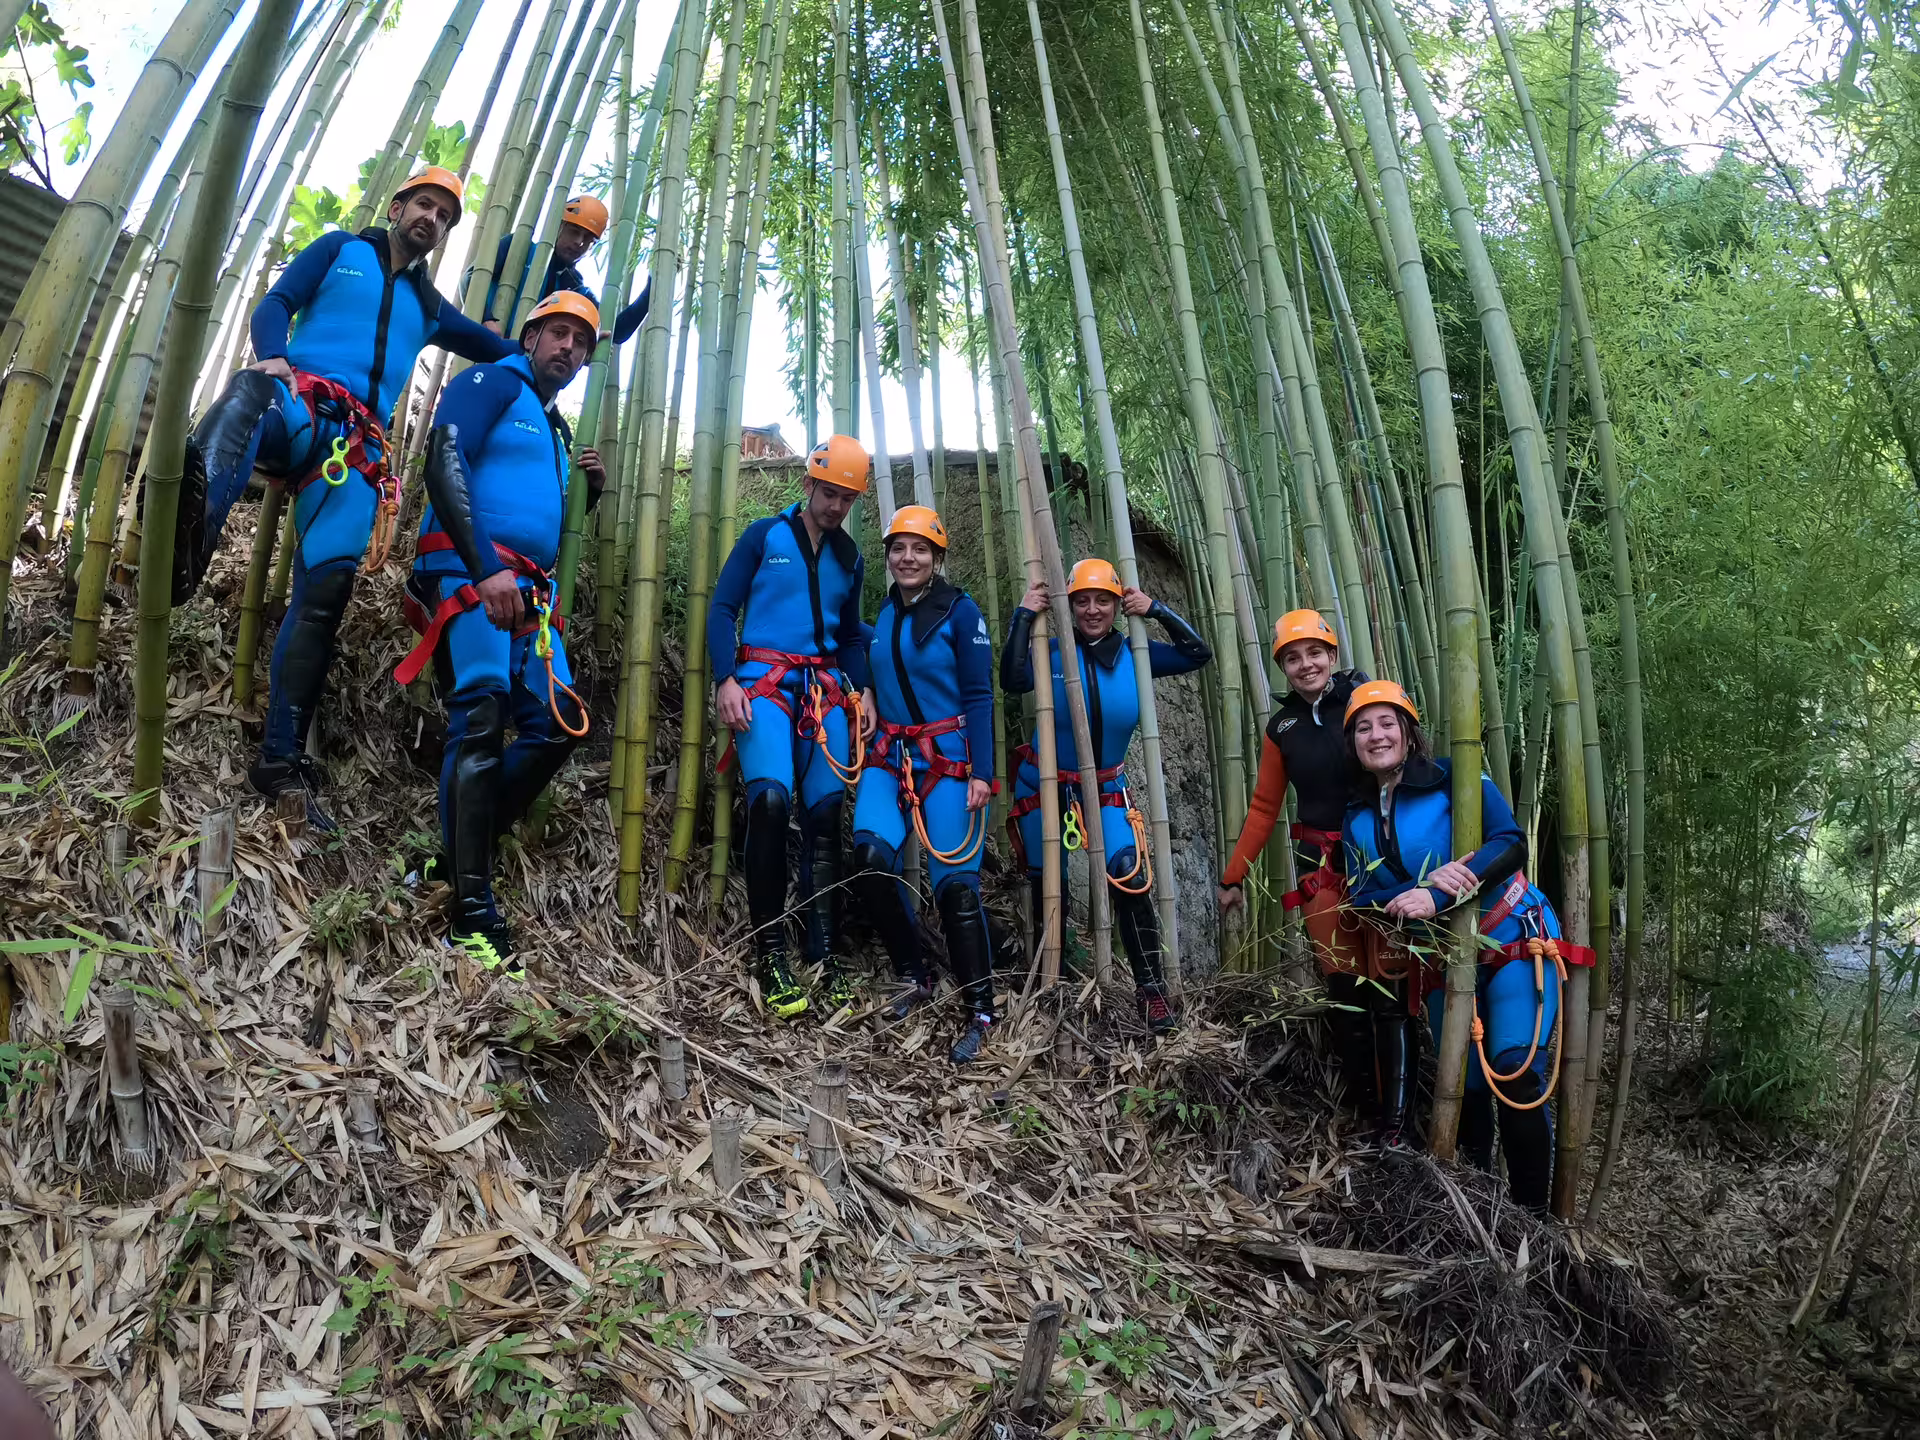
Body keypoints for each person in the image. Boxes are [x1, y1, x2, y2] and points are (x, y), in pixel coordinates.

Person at [174, 167, 516, 829]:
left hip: (354, 454)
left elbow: (501, 353)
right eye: (424, 204)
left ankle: (280, 759)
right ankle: (184, 548)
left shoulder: (431, 307)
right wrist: (272, 355)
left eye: (445, 216)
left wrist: (574, 340)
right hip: (298, 402)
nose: (432, 219)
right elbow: (274, 303)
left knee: (325, 596)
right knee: (246, 396)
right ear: (397, 207)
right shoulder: (339, 248)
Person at [389, 292, 603, 975]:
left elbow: (537, 508)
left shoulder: (553, 426)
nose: (567, 347)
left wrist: (585, 493)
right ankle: (471, 911)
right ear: (532, 336)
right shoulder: (488, 381)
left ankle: (457, 853)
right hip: (468, 573)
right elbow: (444, 461)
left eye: (580, 341)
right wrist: (482, 570)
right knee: (480, 715)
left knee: (556, 727)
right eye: (558, 333)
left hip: (529, 596)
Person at [1340, 679, 1593, 1210]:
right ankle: (1485, 1212)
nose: (1376, 735)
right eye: (1363, 728)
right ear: (1353, 744)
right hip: (1442, 961)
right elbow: (1360, 895)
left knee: (1516, 1075)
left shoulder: (1453, 779)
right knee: (1467, 1089)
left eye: (1387, 723)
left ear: (1409, 733)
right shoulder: (1357, 816)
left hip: (1511, 938)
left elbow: (1510, 843)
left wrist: (1440, 892)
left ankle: (1535, 1224)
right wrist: (1419, 892)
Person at [1002, 559, 1211, 1033]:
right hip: (1046, 784)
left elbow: (1197, 653)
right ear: (1068, 605)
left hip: (1107, 787)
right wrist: (1023, 614)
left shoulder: (1137, 652)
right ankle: (1043, 982)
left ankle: (1152, 992)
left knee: (1129, 878)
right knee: (1042, 881)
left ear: (1118, 604)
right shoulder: (1049, 651)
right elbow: (1011, 681)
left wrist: (1155, 609)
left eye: (1103, 600)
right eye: (1082, 600)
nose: (1092, 609)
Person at [709, 435, 876, 1018]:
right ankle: (771, 954)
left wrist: (865, 692)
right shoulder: (764, 536)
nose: (836, 506)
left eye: (847, 498)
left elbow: (852, 637)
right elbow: (722, 608)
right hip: (763, 686)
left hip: (826, 691)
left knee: (827, 816)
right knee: (773, 804)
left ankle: (824, 956)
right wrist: (724, 678)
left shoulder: (851, 558)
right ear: (808, 485)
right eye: (829, 493)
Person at [851, 505, 999, 1063]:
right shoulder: (886, 610)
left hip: (951, 761)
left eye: (919, 549)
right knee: (868, 859)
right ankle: (916, 971)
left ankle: (980, 1009)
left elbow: (981, 695)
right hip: (890, 756)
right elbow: (869, 655)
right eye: (898, 548)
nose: (907, 557)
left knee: (958, 890)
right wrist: (864, 688)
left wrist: (983, 772)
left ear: (937, 557)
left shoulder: (961, 612)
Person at [1217, 610, 1378, 1114]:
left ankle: (1401, 1111)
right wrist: (1233, 875)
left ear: (1332, 655)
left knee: (1393, 980)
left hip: (1379, 855)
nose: (1305, 664)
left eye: (1314, 653)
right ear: (1282, 667)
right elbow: (1265, 806)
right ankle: (1364, 1107)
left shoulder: (1364, 701)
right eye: (1292, 657)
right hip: (1319, 862)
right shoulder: (1282, 726)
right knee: (1343, 982)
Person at [477, 196, 650, 343]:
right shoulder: (519, 247)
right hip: (485, 346)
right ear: (559, 225)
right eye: (574, 231)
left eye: (589, 239)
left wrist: (652, 285)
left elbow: (616, 331)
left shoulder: (574, 287)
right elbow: (471, 279)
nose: (579, 242)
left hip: (526, 369)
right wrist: (486, 319)